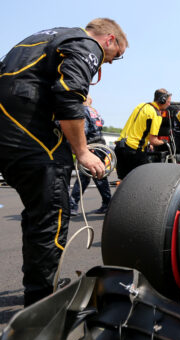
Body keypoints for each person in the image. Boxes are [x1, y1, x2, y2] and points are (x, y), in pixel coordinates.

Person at [0, 18, 127, 306]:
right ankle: (42, 305)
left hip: (8, 130)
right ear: (109, 40)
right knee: (50, 217)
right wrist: (82, 152)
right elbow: (69, 96)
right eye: (114, 57)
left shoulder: (39, 38)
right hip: (30, 134)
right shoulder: (87, 43)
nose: (106, 63)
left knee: (36, 216)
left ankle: (38, 286)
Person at [115, 89, 171, 180]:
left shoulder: (141, 105)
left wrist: (147, 143)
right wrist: (164, 141)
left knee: (124, 181)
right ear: (162, 100)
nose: (169, 104)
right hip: (134, 151)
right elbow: (154, 141)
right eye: (168, 102)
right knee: (142, 180)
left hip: (120, 147)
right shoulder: (156, 114)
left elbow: (139, 128)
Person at [69, 96, 112, 215]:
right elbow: (100, 124)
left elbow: (83, 130)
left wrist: (79, 147)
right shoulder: (94, 111)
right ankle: (107, 202)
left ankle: (72, 206)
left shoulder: (83, 110)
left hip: (91, 146)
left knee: (86, 177)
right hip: (100, 145)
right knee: (98, 175)